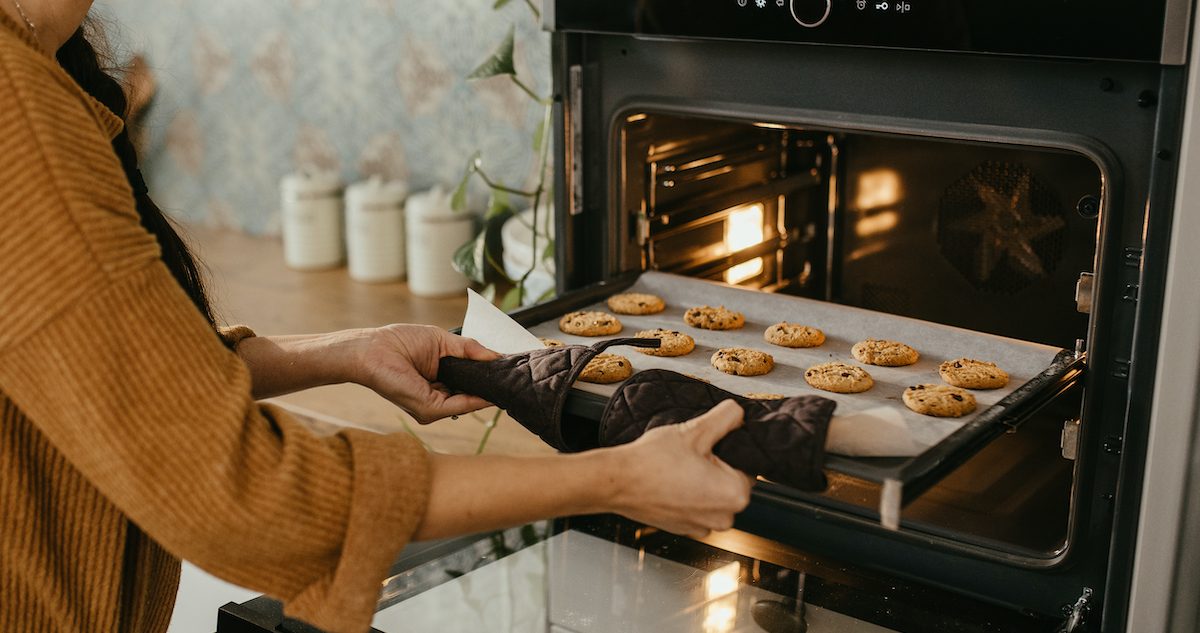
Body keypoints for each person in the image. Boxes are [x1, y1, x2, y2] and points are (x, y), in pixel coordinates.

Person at [0, 3, 753, 633]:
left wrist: (350, 350)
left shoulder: (38, 69)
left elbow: (117, 379)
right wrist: (617, 476)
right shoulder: (19, 109)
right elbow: (249, 491)